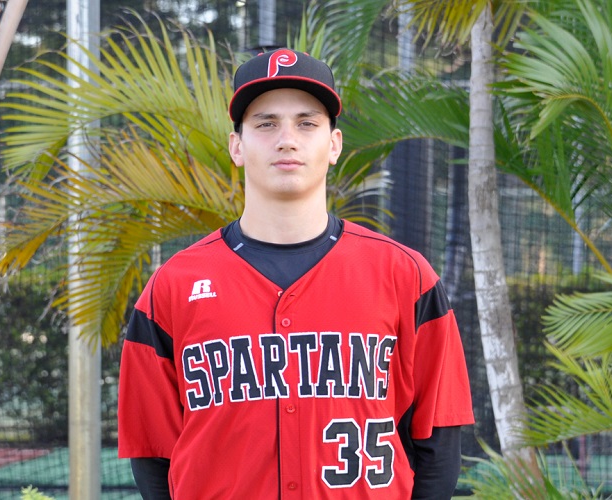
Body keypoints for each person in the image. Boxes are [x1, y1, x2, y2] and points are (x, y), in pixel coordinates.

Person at [118, 48, 475, 499]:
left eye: (307, 123)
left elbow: (438, 442)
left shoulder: (405, 276)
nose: (287, 139)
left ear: (334, 144)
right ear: (237, 146)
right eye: (266, 123)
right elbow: (153, 455)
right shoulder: (173, 285)